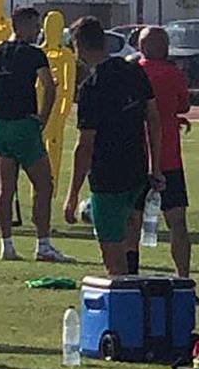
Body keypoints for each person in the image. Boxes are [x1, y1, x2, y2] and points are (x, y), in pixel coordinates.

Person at [0, 7, 72, 262]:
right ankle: (43, 244)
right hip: (24, 126)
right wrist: (43, 117)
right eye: (34, 26)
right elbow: (48, 86)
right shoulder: (33, 54)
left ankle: (7, 245)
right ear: (21, 26)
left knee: (5, 187)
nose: (37, 32)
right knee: (44, 184)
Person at [63, 17, 165, 277]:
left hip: (108, 179)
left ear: (79, 47)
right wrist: (155, 167)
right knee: (130, 245)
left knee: (112, 257)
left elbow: (84, 145)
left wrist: (72, 194)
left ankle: (123, 308)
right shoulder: (134, 71)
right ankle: (135, 300)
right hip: (137, 172)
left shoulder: (91, 87)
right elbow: (153, 119)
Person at [126, 27, 193, 282]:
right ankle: (183, 277)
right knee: (177, 221)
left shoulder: (132, 73)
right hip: (169, 159)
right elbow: (182, 104)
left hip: (136, 157)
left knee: (133, 219)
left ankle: (130, 276)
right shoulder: (173, 73)